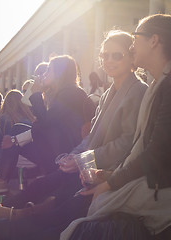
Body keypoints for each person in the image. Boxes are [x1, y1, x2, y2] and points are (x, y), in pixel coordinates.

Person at [0, 31, 149, 240]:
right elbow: (89, 137)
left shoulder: (126, 91)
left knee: (59, 204)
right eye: (104, 55)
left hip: (98, 168)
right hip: (77, 161)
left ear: (131, 57)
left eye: (117, 55)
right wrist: (75, 156)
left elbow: (126, 142)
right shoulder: (110, 91)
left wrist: (82, 159)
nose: (109, 60)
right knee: (41, 185)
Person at [60, 14, 171, 240]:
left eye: (135, 38)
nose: (132, 45)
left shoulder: (159, 88)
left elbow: (154, 151)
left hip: (159, 184)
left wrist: (112, 180)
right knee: (67, 193)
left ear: (154, 41)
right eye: (105, 55)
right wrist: (105, 173)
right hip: (143, 175)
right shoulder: (157, 86)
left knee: (84, 207)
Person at [0, 55, 88, 194]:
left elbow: (45, 124)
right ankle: (0, 181)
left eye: (48, 71)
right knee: (14, 137)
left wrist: (37, 93)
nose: (44, 75)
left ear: (59, 73)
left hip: (63, 153)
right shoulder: (61, 93)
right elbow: (40, 119)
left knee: (14, 134)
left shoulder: (70, 93)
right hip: (55, 148)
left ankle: (0, 181)